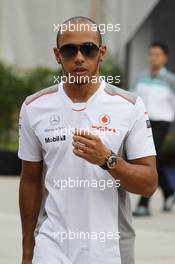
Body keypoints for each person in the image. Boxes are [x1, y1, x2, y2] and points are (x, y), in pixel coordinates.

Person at [18, 16, 157, 264]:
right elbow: (29, 181)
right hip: (51, 248)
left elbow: (148, 184)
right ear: (57, 55)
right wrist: (28, 250)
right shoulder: (34, 106)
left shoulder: (129, 106)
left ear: (101, 53)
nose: (79, 57)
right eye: (69, 50)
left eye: (88, 49)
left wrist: (108, 160)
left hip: (109, 250)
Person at [133, 42, 175, 217]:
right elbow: (133, 98)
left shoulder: (170, 80)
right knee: (155, 159)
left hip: (162, 123)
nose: (153, 58)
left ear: (165, 57)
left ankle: (144, 203)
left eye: (157, 54)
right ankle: (169, 192)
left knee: (149, 156)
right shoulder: (141, 77)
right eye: (151, 54)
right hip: (144, 122)